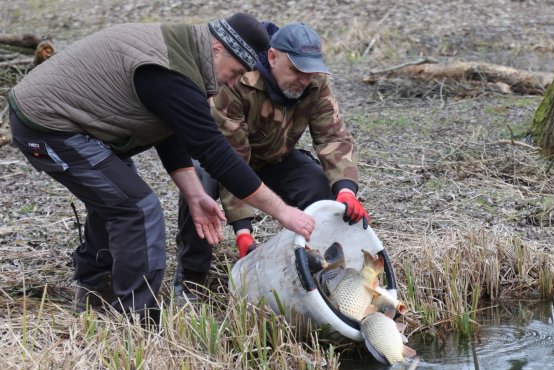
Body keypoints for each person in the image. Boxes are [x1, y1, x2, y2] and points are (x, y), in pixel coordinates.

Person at [8, 13, 316, 323]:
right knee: (138, 208)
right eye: (236, 72)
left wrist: (195, 196)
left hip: (81, 124)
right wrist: (283, 212)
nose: (233, 82)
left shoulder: (185, 54)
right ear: (218, 48)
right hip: (46, 125)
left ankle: (94, 291)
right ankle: (139, 319)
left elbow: (170, 130)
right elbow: (215, 154)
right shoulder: (174, 74)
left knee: (117, 193)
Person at [174, 22, 369, 299]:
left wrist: (347, 190)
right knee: (199, 183)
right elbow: (232, 159)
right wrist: (243, 231)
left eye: (310, 72)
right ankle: (191, 282)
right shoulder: (238, 80)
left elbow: (333, 137)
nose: (304, 80)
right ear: (273, 57)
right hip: (223, 161)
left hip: (276, 159)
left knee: (317, 183)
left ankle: (317, 269)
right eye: (297, 71)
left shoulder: (315, 82)